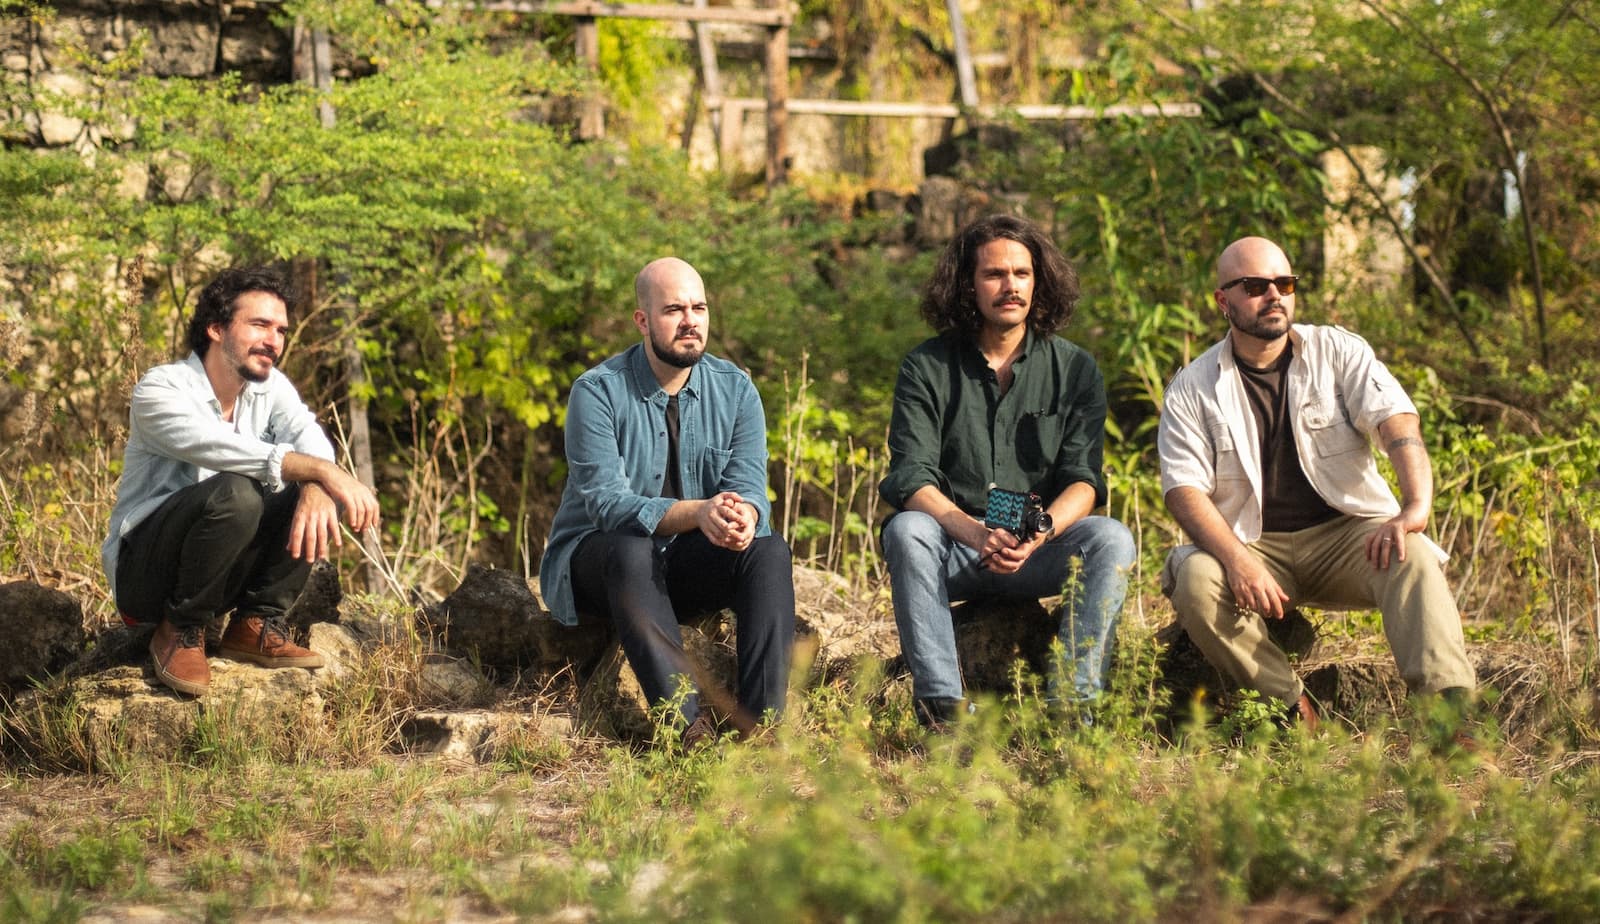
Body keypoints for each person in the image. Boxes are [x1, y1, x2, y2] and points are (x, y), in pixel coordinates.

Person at [1158, 236, 1477, 730]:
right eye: (1255, 286)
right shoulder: (1193, 387)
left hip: (1344, 538)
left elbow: (1396, 422)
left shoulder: (1337, 350)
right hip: (1254, 546)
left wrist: (1415, 508)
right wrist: (1238, 562)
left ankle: (1448, 723)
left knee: (1410, 555)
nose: (1274, 296)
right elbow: (1184, 490)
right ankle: (1289, 708)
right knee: (1197, 580)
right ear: (1224, 300)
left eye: (1284, 284)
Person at [879, 214, 1137, 729]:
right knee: (908, 530)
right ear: (967, 284)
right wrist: (976, 533)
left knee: (1111, 539)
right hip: (956, 548)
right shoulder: (926, 367)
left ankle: (1073, 708)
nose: (1010, 286)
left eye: (1021, 273)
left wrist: (1038, 537)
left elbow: (1084, 480)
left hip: (1037, 551)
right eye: (995, 274)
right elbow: (911, 479)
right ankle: (941, 712)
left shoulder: (1075, 369)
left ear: (1038, 282)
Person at [539, 257, 794, 747]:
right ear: (642, 320)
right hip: (604, 567)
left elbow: (750, 484)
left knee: (768, 549)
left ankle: (765, 731)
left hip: (682, 567)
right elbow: (608, 505)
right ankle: (687, 729)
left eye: (698, 307)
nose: (690, 321)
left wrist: (743, 516)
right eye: (674, 309)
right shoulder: (596, 392)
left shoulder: (737, 390)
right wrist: (698, 512)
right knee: (630, 546)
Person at [104, 267, 381, 696]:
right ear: (216, 328)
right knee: (239, 491)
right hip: (145, 576)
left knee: (317, 490)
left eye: (281, 330)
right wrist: (322, 471)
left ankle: (255, 623)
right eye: (259, 325)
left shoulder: (272, 388)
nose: (274, 340)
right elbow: (217, 449)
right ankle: (179, 629)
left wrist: (317, 485)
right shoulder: (160, 389)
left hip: (219, 570)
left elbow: (311, 440)